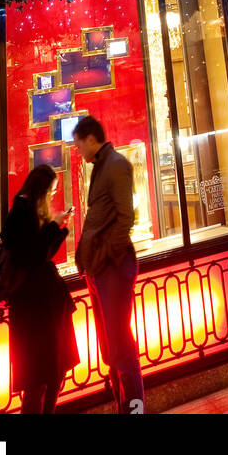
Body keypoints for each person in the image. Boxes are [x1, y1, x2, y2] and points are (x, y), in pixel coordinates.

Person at [73, 115, 145, 413]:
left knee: (119, 340)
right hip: (100, 269)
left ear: (91, 139)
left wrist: (106, 256)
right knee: (109, 341)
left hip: (112, 267)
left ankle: (134, 406)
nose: (77, 151)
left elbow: (126, 218)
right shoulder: (102, 166)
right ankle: (122, 403)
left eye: (78, 144)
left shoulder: (116, 165)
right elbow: (97, 219)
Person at [2, 163, 79, 414]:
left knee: (52, 373)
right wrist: (53, 227)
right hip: (36, 312)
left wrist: (58, 226)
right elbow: (33, 256)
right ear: (42, 190)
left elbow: (42, 253)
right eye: (52, 191)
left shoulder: (27, 210)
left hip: (45, 309)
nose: (53, 196)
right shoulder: (21, 213)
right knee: (39, 379)